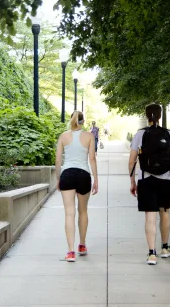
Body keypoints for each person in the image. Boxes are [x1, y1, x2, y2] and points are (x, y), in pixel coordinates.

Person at [128, 104, 170, 265]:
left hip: (146, 179)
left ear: (147, 116)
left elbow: (132, 160)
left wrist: (133, 182)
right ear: (160, 116)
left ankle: (151, 253)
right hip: (166, 180)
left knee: (150, 216)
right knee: (165, 212)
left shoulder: (140, 134)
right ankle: (165, 248)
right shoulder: (169, 134)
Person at [55, 111, 99, 262]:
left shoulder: (63, 136)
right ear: (83, 121)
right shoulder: (89, 136)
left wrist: (58, 179)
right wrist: (96, 179)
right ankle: (82, 245)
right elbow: (92, 158)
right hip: (83, 175)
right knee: (83, 211)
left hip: (67, 174)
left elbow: (58, 161)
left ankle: (70, 252)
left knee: (69, 213)